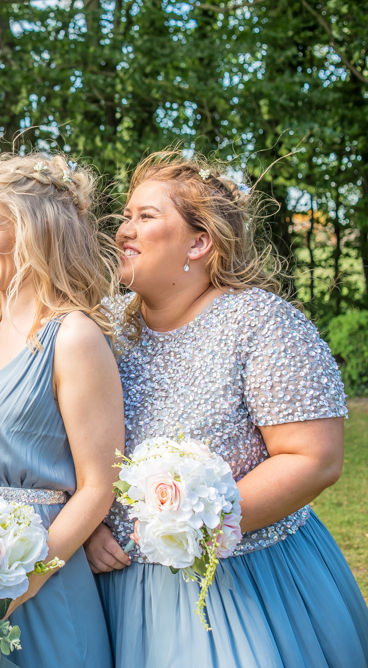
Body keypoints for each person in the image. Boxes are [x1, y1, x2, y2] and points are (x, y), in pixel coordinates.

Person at [84, 151, 368, 667]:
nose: (124, 229)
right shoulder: (98, 328)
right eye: (126, 215)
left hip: (242, 588)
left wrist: (198, 527)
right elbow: (51, 440)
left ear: (199, 241)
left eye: (146, 216)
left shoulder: (260, 322)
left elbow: (314, 458)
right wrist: (86, 524)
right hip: (115, 593)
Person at [0, 153, 120, 666]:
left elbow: (98, 487)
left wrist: (24, 579)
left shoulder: (73, 336)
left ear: (34, 229)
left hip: (43, 572)